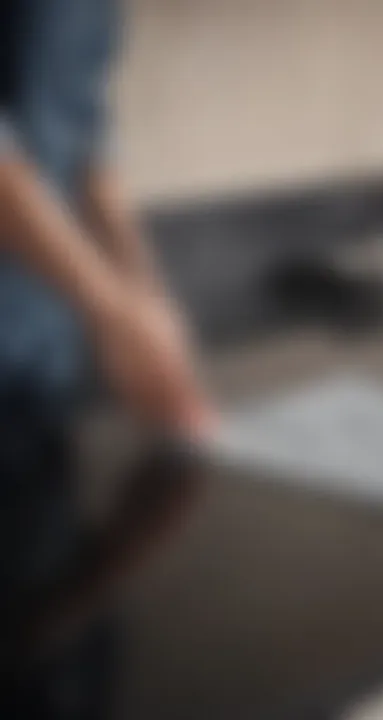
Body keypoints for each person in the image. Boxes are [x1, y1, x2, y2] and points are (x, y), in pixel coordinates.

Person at [0, 0, 213, 716]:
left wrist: (146, 295)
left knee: (61, 664)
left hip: (30, 378)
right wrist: (111, 309)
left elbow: (90, 150)